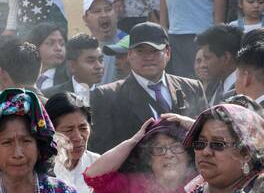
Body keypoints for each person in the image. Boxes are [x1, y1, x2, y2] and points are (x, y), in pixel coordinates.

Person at [87, 22, 204, 153]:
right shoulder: (107, 96)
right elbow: (102, 150)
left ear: (168, 53)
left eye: (155, 51)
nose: (148, 57)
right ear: (130, 54)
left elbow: (206, 138)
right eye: (140, 51)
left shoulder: (192, 88)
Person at [83, 0, 126, 83]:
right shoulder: (83, 48)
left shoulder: (127, 42)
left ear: (116, 15)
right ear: (85, 19)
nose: (104, 15)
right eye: (96, 11)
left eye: (108, 9)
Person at [195, 24, 241, 103]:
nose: (203, 65)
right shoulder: (212, 85)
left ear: (226, 57)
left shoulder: (244, 90)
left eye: (207, 58)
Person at [29, 21, 67, 94]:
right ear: (35, 46)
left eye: (62, 44)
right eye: (50, 43)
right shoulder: (21, 76)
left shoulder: (70, 78)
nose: (58, 48)